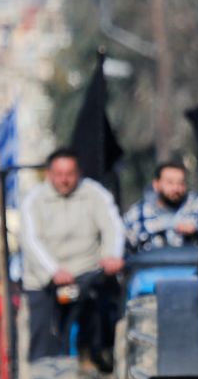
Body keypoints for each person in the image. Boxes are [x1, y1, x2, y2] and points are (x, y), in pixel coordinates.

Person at [20, 148, 125, 364]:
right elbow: (31, 241)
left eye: (69, 174)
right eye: (59, 174)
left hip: (89, 275)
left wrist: (112, 256)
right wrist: (53, 271)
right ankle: (44, 371)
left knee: (107, 314)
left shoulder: (96, 194)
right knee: (44, 336)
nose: (64, 180)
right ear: (49, 175)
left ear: (79, 173)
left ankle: (99, 359)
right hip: (46, 281)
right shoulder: (34, 200)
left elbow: (113, 227)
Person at [122, 161, 198, 253]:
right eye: (170, 183)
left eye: (181, 183)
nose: (176, 188)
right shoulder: (139, 213)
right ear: (156, 185)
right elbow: (123, 245)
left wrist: (197, 233)